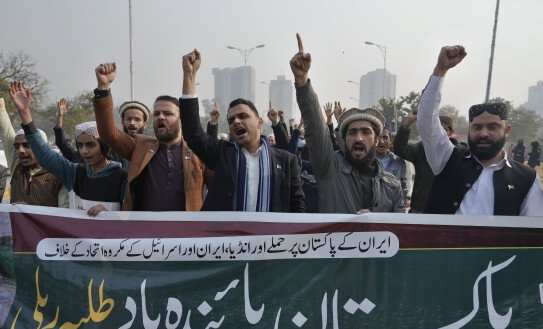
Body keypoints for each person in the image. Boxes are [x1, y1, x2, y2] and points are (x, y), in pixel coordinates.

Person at [417, 45, 543, 215]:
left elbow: (531, 231)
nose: (484, 133)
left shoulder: (526, 178)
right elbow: (426, 121)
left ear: (507, 130)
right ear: (470, 129)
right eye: (477, 127)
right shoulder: (447, 158)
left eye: (492, 127)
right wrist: (440, 70)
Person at [180, 49, 305, 212]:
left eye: (243, 116)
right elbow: (193, 134)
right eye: (231, 120)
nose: (236, 121)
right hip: (225, 237)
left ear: (259, 122)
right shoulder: (222, 154)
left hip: (271, 238)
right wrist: (189, 76)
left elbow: (297, 206)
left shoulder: (287, 161)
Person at [290, 34, 403, 214]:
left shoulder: (392, 186)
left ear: (376, 140)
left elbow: (399, 234)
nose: (358, 138)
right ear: (343, 139)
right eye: (352, 133)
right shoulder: (329, 169)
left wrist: (375, 222)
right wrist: (303, 82)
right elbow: (316, 129)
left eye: (366, 132)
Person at [94, 62, 208, 211]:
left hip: (185, 232)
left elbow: (219, 192)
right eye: (156, 114)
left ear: (181, 120)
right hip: (144, 231)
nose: (161, 117)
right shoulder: (140, 146)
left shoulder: (198, 152)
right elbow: (108, 134)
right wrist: (103, 88)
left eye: (167, 113)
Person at [9, 81, 127, 216]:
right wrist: (25, 114)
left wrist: (109, 215)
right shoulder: (75, 173)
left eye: (90, 145)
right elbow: (44, 155)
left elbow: (131, 216)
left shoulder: (122, 177)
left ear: (105, 146)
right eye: (80, 145)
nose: (84, 151)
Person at [0, 53, 69, 207]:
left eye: (27, 145)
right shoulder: (17, 167)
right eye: (17, 146)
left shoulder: (59, 175)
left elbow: (64, 217)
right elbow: (2, 122)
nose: (20, 151)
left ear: (40, 147)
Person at [393, 109, 461, 213]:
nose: (440, 134)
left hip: (446, 211)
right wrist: (407, 124)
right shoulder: (422, 149)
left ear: (451, 132)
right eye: (437, 130)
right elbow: (399, 149)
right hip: (420, 209)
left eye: (444, 130)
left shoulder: (458, 153)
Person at [376, 127, 412, 206]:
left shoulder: (399, 162)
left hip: (393, 209)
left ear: (391, 142)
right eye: (378, 137)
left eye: (385, 137)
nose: (381, 141)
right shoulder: (366, 161)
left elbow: (403, 186)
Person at [53, 98, 83, 163]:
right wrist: (60, 117)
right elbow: (60, 143)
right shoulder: (76, 157)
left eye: (90, 145)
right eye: (81, 145)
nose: (85, 150)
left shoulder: (108, 166)